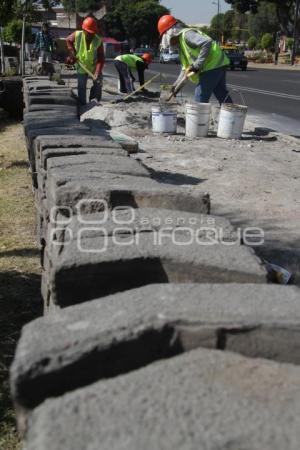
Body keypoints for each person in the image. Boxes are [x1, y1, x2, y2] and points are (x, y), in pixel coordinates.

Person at [157, 15, 232, 104]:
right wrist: (175, 87)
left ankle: (198, 118)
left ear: (171, 33)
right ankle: (233, 116)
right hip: (218, 64)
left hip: (211, 66)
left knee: (200, 96)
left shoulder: (186, 35)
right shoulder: (182, 45)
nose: (169, 42)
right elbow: (185, 72)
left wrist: (197, 65)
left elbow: (206, 43)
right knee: (221, 94)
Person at [66, 17, 104, 105]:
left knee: (98, 83)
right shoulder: (77, 35)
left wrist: (97, 72)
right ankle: (82, 104)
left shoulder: (98, 40)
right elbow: (68, 40)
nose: (91, 35)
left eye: (93, 33)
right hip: (81, 65)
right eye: (89, 33)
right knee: (82, 87)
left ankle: (94, 102)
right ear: (84, 30)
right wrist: (72, 53)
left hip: (94, 66)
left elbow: (101, 58)